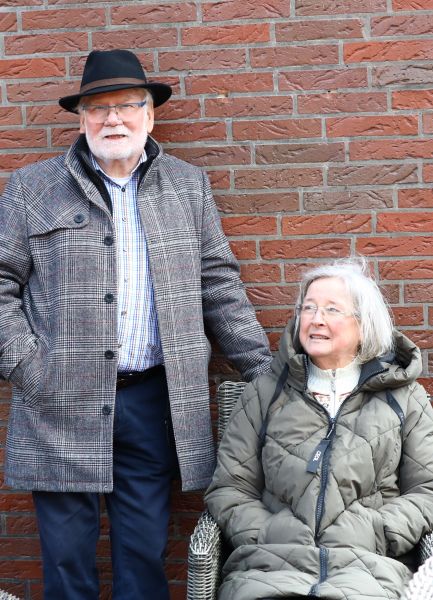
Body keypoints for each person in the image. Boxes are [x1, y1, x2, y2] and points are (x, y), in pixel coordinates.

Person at [0, 49, 272, 600]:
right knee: (67, 566)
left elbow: (217, 284)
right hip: (59, 400)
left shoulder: (187, 187)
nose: (113, 119)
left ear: (150, 115)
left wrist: (267, 373)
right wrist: (29, 367)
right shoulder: (33, 188)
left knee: (144, 559)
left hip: (153, 402)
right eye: (98, 108)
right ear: (82, 119)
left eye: (126, 105)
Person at [206, 257, 433, 600]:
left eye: (331, 309)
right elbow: (229, 488)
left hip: (368, 572)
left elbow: (427, 490)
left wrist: (378, 531)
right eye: (308, 308)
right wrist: (266, 533)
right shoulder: (264, 394)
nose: (316, 319)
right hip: (268, 570)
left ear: (364, 325)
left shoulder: (404, 398)